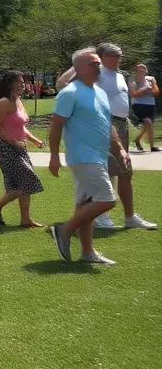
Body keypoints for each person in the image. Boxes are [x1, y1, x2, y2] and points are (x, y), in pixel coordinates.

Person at [56, 44, 156, 230]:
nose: (119, 57)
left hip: (121, 125)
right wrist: (81, 60)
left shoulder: (119, 76)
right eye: (114, 55)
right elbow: (62, 84)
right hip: (105, 125)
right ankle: (101, 217)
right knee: (107, 170)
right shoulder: (95, 72)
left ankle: (129, 217)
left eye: (120, 54)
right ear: (101, 57)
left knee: (126, 171)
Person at [47, 48, 132, 265]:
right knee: (106, 199)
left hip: (99, 156)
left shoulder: (100, 93)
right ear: (79, 69)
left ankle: (87, 253)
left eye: (98, 63)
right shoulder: (70, 93)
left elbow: (108, 126)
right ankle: (64, 230)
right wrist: (54, 156)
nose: (98, 67)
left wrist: (120, 149)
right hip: (83, 158)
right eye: (93, 63)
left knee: (85, 205)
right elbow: (56, 127)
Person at [0, 71, 45, 228]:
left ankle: (25, 220)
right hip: (5, 147)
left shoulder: (18, 101)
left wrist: (34, 140)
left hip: (20, 147)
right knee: (27, 181)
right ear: (11, 84)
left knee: (23, 183)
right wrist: (12, 141)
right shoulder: (3, 102)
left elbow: (20, 126)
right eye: (20, 82)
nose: (23, 84)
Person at [130, 63, 160, 152]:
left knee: (147, 125)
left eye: (143, 70)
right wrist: (146, 90)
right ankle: (152, 146)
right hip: (138, 105)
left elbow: (156, 92)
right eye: (139, 70)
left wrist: (153, 84)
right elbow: (134, 94)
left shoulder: (151, 80)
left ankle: (137, 139)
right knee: (148, 122)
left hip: (150, 104)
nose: (142, 72)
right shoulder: (133, 81)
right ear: (136, 71)